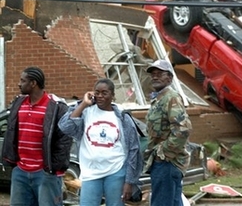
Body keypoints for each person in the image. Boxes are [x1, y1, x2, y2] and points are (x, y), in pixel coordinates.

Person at [58, 78, 143, 206]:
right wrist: (83, 104)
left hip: (116, 171)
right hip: (91, 173)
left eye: (104, 93)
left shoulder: (122, 118)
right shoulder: (86, 112)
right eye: (97, 92)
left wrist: (129, 181)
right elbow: (65, 126)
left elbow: (133, 149)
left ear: (113, 96)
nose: (100, 96)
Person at [2, 66, 72, 206]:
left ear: (33, 83)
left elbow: (64, 139)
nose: (19, 84)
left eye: (23, 81)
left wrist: (53, 168)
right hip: (20, 172)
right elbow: (11, 133)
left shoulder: (55, 107)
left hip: (45, 174)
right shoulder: (18, 104)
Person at [143, 59, 192, 206]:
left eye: (159, 74)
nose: (155, 77)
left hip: (167, 163)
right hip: (164, 163)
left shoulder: (171, 98)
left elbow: (183, 129)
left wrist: (163, 154)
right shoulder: (159, 99)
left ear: (169, 78)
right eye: (153, 74)